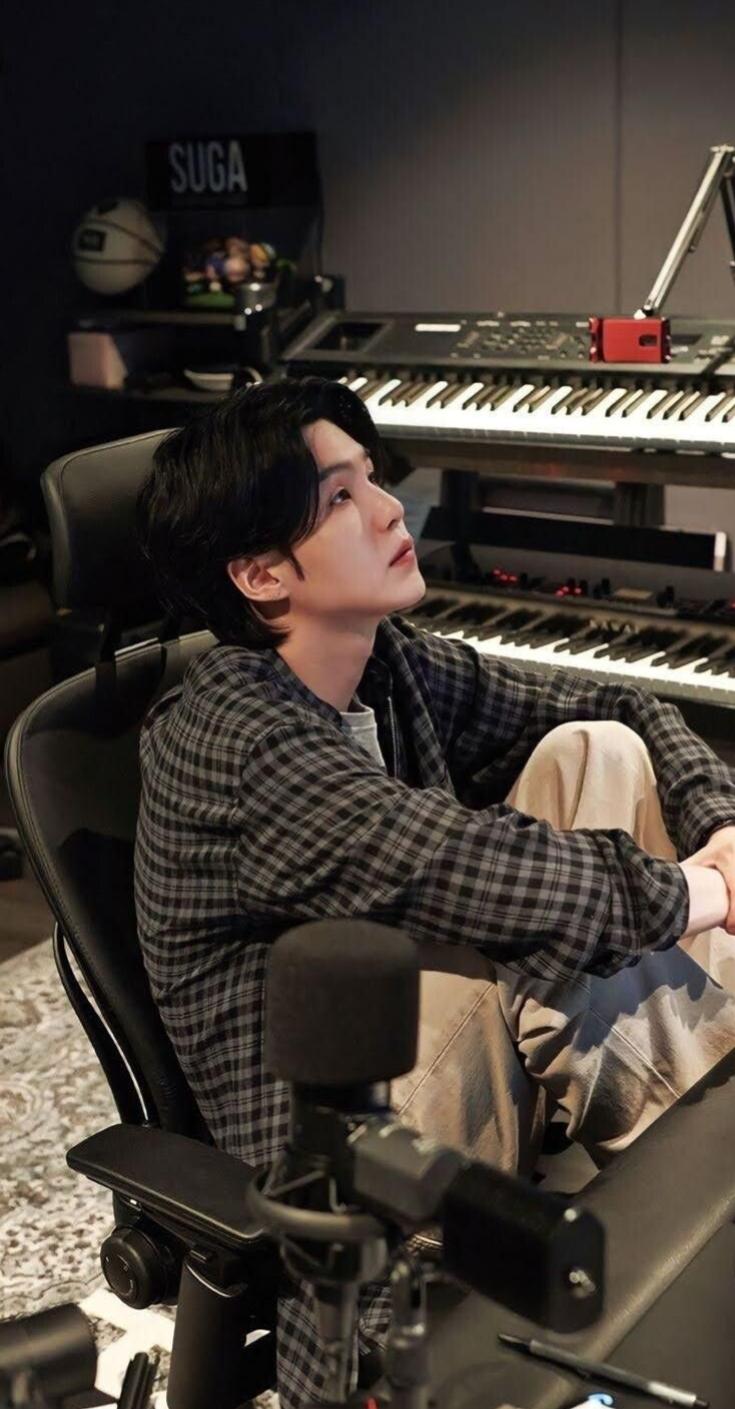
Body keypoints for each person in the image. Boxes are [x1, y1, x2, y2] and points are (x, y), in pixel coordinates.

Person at [134, 376, 735, 1408]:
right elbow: (467, 871)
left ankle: (696, 1176)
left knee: (594, 749)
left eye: (373, 478)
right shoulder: (234, 737)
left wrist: (720, 826)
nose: (388, 509)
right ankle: (704, 1192)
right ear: (261, 573)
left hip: (461, 1076)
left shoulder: (383, 666)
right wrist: (702, 892)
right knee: (537, 919)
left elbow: (619, 697)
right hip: (345, 1157)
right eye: (340, 498)